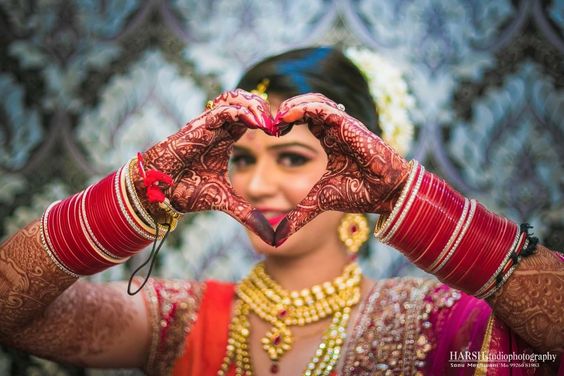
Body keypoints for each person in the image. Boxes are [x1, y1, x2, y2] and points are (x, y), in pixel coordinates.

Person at [0, 46, 562, 376]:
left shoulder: (437, 324)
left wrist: (401, 200)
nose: (257, 183)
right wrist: (142, 190)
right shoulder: (180, 319)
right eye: (241, 158)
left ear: (358, 165)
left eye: (292, 156)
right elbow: (9, 313)